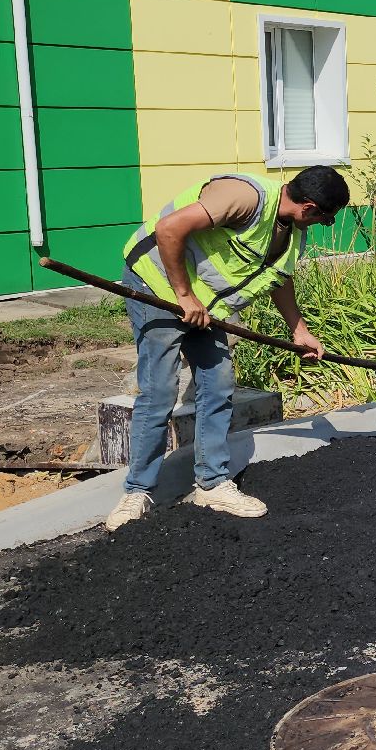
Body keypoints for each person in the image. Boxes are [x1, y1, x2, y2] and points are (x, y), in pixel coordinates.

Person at [105, 167, 349, 530]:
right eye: (325, 220)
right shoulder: (243, 198)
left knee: (218, 386)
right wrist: (184, 296)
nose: (320, 226)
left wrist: (299, 330)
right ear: (310, 207)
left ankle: (212, 483)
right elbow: (168, 229)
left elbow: (277, 278)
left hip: (205, 308)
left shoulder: (290, 228)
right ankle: (137, 491)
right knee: (159, 392)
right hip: (156, 286)